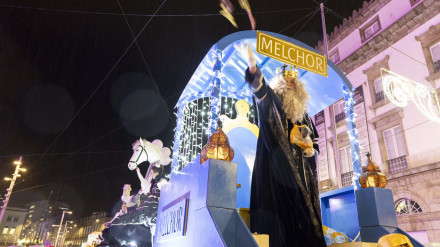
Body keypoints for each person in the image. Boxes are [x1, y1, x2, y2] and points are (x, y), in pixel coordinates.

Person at [236, 43, 326, 247]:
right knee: (285, 224)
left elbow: (316, 143)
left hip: (304, 178)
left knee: (308, 222)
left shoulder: (306, 116)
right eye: (286, 83)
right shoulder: (274, 102)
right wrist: (252, 66)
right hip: (280, 173)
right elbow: (260, 92)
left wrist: (311, 150)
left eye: (293, 83)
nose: (290, 85)